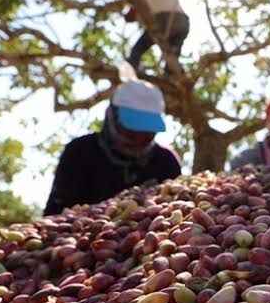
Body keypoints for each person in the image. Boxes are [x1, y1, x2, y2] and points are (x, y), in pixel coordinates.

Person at [44, 80, 181, 215]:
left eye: (147, 133)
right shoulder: (79, 152)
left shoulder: (167, 162)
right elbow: (55, 214)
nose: (138, 140)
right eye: (131, 131)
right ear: (111, 116)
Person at [125, 0, 190, 73]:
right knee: (172, 60)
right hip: (183, 22)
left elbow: (138, 2)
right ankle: (173, 77)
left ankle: (131, 71)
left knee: (137, 50)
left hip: (165, 19)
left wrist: (132, 5)